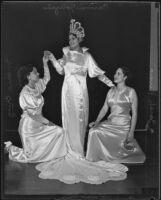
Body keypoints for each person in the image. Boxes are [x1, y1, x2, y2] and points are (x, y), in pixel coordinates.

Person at [35, 19, 128, 184]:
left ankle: (78, 153)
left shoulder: (86, 56)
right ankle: (70, 152)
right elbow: (60, 70)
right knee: (69, 122)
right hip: (66, 93)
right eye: (69, 39)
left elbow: (97, 73)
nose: (70, 41)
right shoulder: (66, 53)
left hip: (80, 95)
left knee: (79, 122)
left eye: (73, 39)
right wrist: (51, 58)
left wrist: (110, 84)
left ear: (79, 39)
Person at [4, 54, 67, 163]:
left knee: (59, 131)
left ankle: (57, 155)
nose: (38, 74)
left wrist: (45, 63)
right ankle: (10, 148)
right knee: (30, 157)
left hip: (40, 125)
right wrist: (48, 122)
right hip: (29, 129)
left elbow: (47, 78)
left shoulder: (37, 86)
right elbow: (33, 115)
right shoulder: (25, 93)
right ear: (28, 76)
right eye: (35, 72)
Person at [86, 67, 146, 164]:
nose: (115, 75)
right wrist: (96, 122)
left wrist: (131, 132)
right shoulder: (111, 91)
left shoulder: (131, 91)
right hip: (110, 124)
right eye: (115, 73)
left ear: (125, 77)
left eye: (119, 74)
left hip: (123, 127)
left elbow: (135, 113)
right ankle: (93, 158)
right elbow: (105, 108)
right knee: (93, 131)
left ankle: (110, 155)